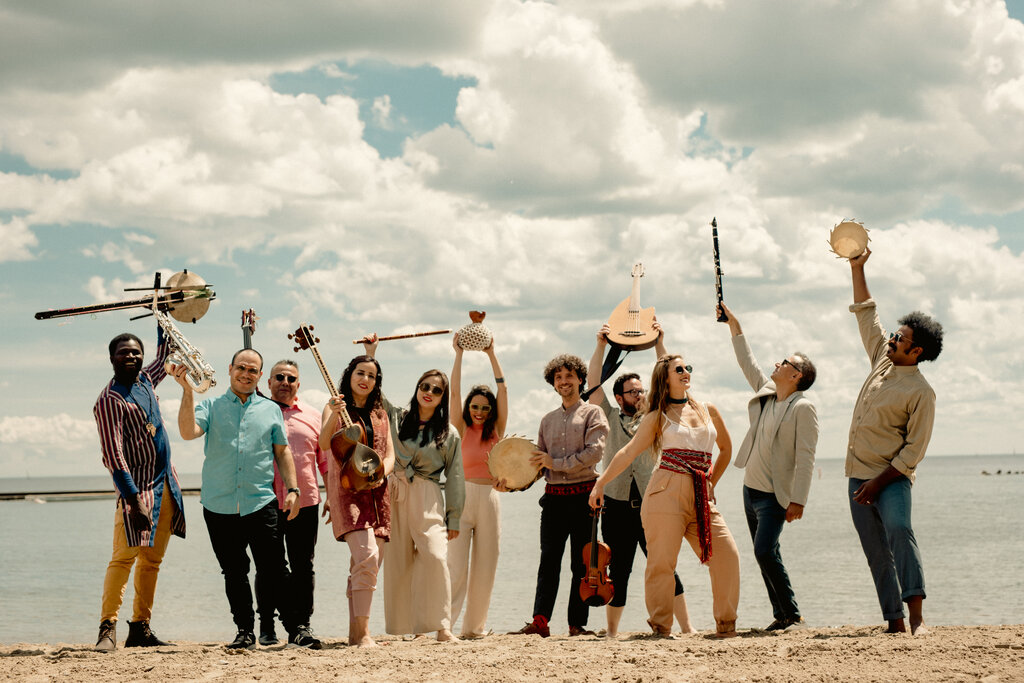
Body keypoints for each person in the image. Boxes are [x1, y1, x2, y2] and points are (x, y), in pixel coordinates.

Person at [590, 354, 740, 638]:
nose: (685, 372)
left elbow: (726, 450)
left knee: (727, 555)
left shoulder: (708, 409)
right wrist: (601, 483)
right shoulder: (657, 415)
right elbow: (628, 452)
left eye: (688, 367)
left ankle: (726, 624)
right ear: (665, 377)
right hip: (664, 492)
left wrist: (711, 483)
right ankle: (661, 627)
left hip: (700, 494)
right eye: (678, 369)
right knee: (661, 564)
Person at [174, 349, 309, 649]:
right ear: (230, 368)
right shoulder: (210, 405)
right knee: (234, 572)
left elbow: (282, 451)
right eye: (241, 368)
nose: (246, 374)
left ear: (260, 376)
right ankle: (245, 631)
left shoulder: (271, 409)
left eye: (252, 370)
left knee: (275, 569)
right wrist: (187, 390)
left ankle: (296, 629)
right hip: (218, 505)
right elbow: (187, 432)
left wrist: (293, 490)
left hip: (260, 502)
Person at [845, 248, 942, 635]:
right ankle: (895, 622)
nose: (891, 339)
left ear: (915, 351)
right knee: (876, 552)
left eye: (899, 338)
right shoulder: (881, 359)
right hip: (857, 477)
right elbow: (866, 313)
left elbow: (912, 452)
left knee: (900, 532)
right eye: (893, 334)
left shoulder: (922, 393)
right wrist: (857, 268)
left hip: (891, 480)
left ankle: (917, 619)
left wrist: (877, 484)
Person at [586, 323, 694, 638]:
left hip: (652, 505)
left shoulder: (655, 416)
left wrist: (660, 342)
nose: (640, 394)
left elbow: (668, 375)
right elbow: (593, 383)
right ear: (619, 397)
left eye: (641, 390)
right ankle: (612, 632)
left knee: (664, 566)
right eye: (633, 391)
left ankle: (687, 627)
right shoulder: (608, 415)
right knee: (619, 570)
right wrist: (601, 346)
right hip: (616, 506)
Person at [717, 302, 818, 631]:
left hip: (775, 497)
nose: (777, 363)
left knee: (764, 552)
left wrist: (798, 500)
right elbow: (747, 362)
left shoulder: (803, 408)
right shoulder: (768, 392)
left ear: (796, 375)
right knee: (766, 553)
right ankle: (782, 615)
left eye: (785, 362)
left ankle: (794, 615)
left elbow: (806, 457)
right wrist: (734, 325)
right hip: (750, 491)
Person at [362, 336, 464, 642]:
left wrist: (454, 517)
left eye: (436, 390)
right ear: (417, 389)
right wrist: (371, 353)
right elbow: (374, 395)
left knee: (435, 557)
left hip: (428, 495)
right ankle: (410, 628)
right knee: (399, 563)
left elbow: (455, 476)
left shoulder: (450, 434)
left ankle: (442, 627)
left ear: (443, 396)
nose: (429, 392)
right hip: (394, 492)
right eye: (425, 386)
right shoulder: (396, 417)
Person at [93, 327, 186, 651]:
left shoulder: (145, 380)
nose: (131, 356)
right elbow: (113, 456)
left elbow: (164, 357)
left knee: (151, 562)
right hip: (138, 493)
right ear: (112, 358)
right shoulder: (109, 400)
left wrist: (162, 316)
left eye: (136, 352)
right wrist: (133, 501)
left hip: (166, 486)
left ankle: (140, 628)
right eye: (124, 352)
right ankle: (107, 628)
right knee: (123, 559)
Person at [513, 354, 608, 638]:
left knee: (582, 564)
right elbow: (540, 465)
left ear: (580, 379)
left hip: (584, 499)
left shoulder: (593, 414)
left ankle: (576, 625)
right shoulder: (547, 420)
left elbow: (594, 453)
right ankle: (540, 622)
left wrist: (555, 463)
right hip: (553, 499)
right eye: (558, 377)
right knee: (549, 562)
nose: (564, 381)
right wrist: (512, 483)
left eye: (569, 376)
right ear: (553, 383)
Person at [320, 354, 395, 648]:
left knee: (365, 566)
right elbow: (323, 444)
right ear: (349, 376)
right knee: (367, 558)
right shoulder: (334, 407)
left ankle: (354, 634)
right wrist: (334, 414)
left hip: (378, 495)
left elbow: (390, 456)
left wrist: (380, 473)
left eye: (371, 375)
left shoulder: (380, 414)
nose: (365, 379)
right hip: (348, 492)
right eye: (360, 373)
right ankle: (364, 634)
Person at [253, 360, 327, 647]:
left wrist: (332, 498)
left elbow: (325, 461)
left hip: (305, 501)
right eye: (279, 377)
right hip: (265, 501)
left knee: (303, 566)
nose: (285, 382)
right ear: (268, 382)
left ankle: (302, 624)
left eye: (291, 378)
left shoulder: (313, 416)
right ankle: (266, 624)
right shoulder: (256, 412)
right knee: (268, 565)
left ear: (298, 384)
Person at [447, 333, 508, 639]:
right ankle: (444, 627)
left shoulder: (496, 430)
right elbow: (455, 392)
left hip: (490, 499)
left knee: (485, 568)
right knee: (455, 568)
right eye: (475, 407)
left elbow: (503, 389)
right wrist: (459, 354)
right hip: (461, 498)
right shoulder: (459, 428)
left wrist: (491, 353)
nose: (480, 412)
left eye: (485, 408)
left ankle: (474, 629)